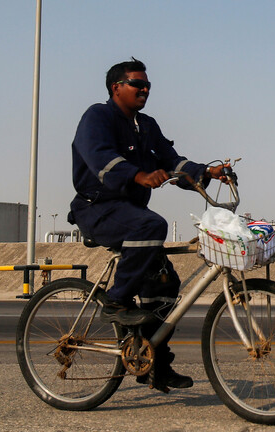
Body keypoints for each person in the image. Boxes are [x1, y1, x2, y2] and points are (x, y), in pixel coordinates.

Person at [67, 57, 227, 392]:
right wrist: (138, 174)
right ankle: (116, 300)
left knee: (165, 285)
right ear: (116, 87)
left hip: (129, 212)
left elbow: (172, 161)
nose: (144, 90)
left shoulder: (146, 125)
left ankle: (154, 365)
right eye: (137, 84)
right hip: (97, 208)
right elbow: (99, 158)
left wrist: (207, 172)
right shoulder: (97, 117)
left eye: (147, 85)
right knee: (152, 225)